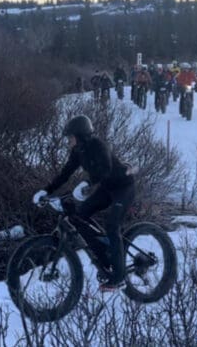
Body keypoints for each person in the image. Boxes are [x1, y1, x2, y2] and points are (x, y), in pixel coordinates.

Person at [42, 115, 136, 291]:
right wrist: (46, 190)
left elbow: (105, 169)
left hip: (123, 187)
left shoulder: (98, 146)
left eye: (70, 137)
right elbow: (65, 173)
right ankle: (105, 253)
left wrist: (88, 183)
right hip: (107, 188)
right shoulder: (79, 151)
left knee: (111, 225)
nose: (68, 141)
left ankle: (119, 277)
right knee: (79, 217)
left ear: (80, 135)